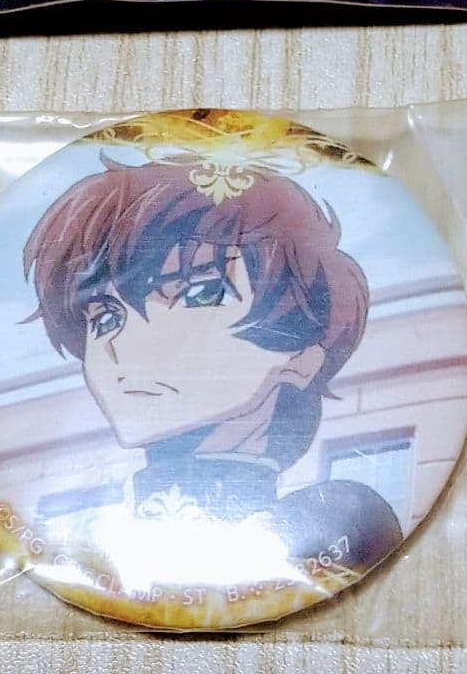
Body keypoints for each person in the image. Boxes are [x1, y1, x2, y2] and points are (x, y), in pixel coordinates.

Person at [23, 159, 402, 572]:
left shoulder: (341, 527)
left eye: (200, 293)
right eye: (106, 318)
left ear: (302, 354)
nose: (124, 345)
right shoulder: (82, 544)